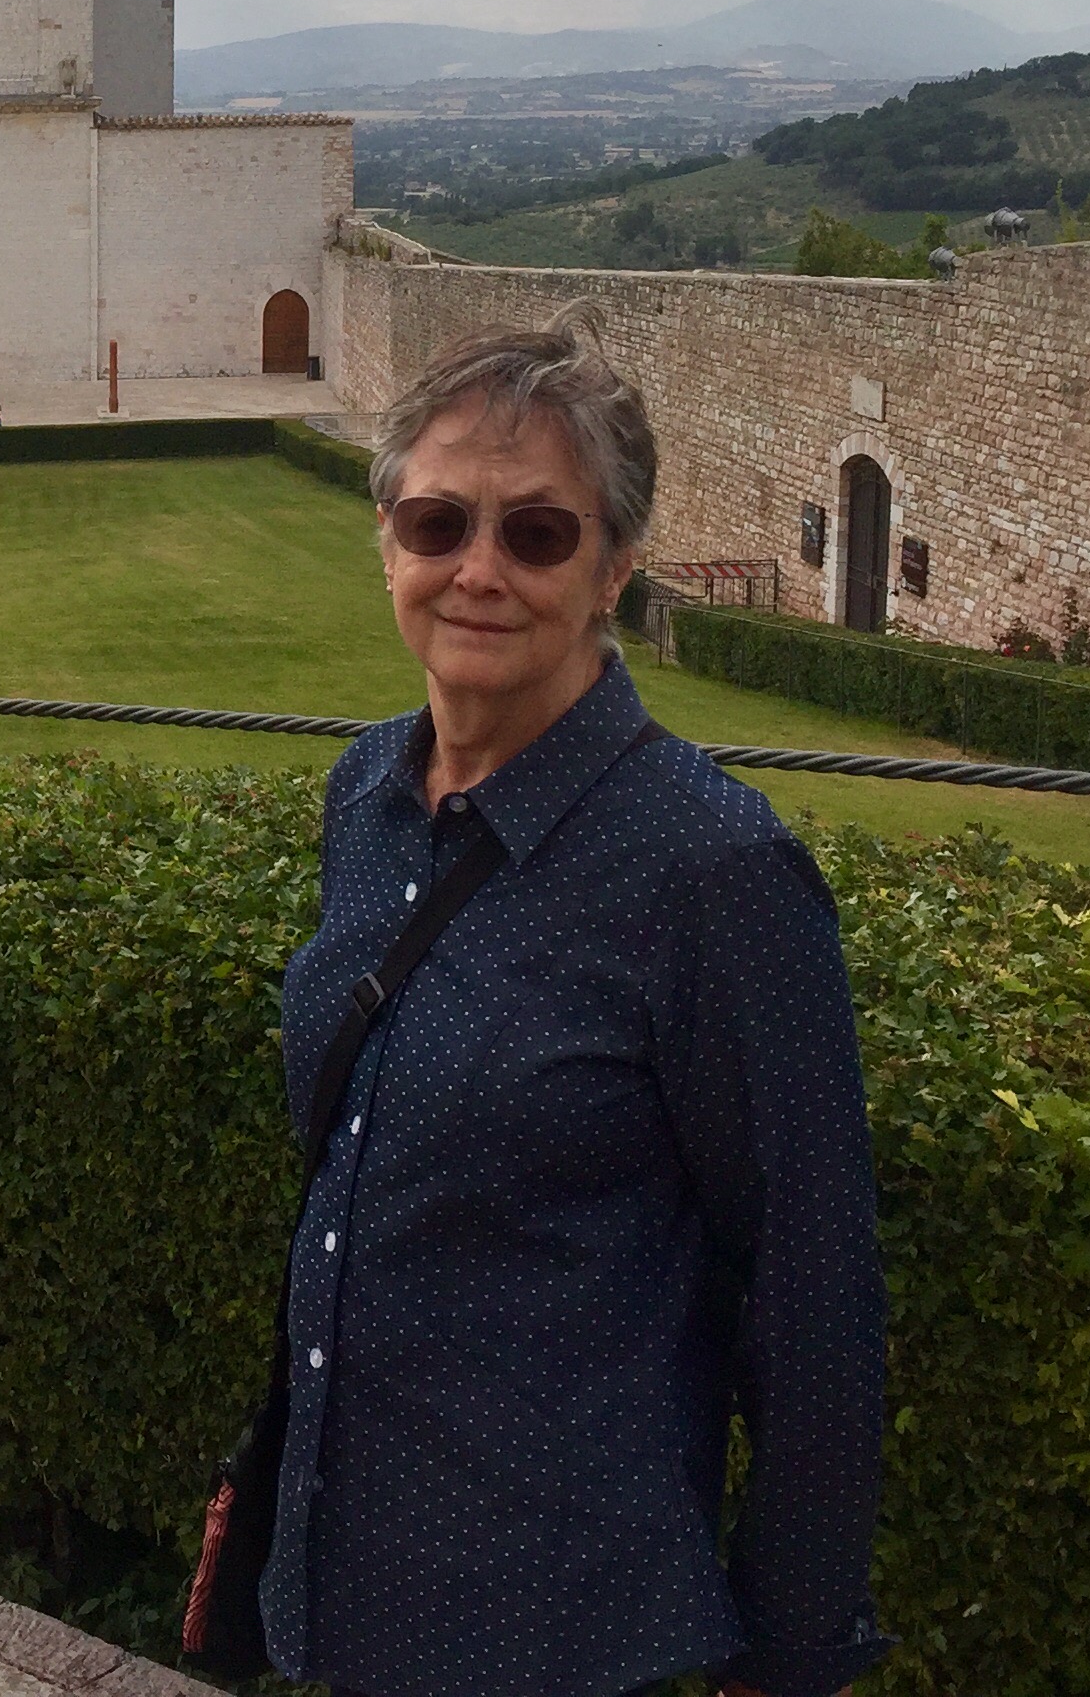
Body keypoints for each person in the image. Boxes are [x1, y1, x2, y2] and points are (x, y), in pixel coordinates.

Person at [261, 315, 888, 1697]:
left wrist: (791, 1657)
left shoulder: (712, 868)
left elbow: (815, 1297)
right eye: (438, 523)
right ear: (387, 543)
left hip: (563, 1629)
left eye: (538, 534)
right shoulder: (367, 796)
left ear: (615, 567)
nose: (478, 570)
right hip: (347, 1583)